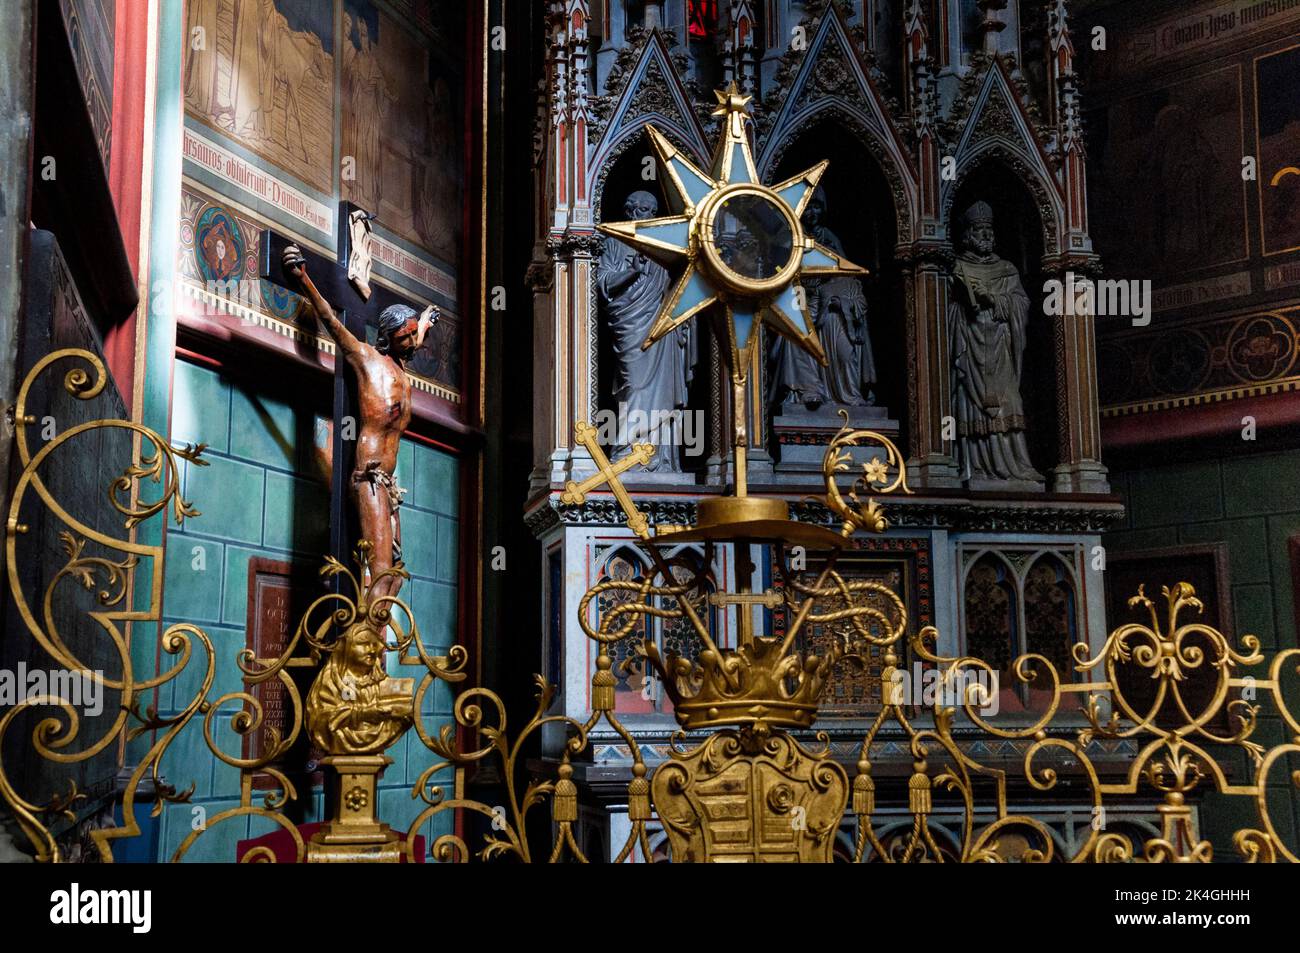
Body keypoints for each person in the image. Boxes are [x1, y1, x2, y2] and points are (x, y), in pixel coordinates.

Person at [282, 243, 438, 599]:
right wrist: (303, 276)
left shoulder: (402, 368)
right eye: (404, 337)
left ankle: (374, 647)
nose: (412, 342)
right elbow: (332, 322)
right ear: (387, 338)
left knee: (397, 575)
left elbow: (416, 336)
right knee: (382, 572)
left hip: (389, 484)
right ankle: (361, 651)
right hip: (367, 477)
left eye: (414, 335)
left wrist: (425, 321)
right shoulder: (366, 359)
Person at [597, 190, 696, 472]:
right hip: (631, 326)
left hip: (661, 328)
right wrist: (632, 272)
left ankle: (661, 459)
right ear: (629, 211)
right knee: (635, 385)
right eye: (639, 210)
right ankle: (628, 451)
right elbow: (602, 284)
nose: (645, 216)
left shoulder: (664, 244)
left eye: (651, 211)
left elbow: (679, 285)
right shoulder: (614, 243)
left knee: (662, 391)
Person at [947, 202, 1043, 485]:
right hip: (970, 344)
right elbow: (941, 314)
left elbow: (1022, 304)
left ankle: (1015, 466)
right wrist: (964, 304)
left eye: (989, 229)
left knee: (1009, 400)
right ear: (967, 235)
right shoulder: (957, 267)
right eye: (979, 230)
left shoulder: (1007, 269)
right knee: (969, 403)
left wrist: (994, 299)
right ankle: (972, 467)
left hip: (1001, 346)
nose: (986, 235)